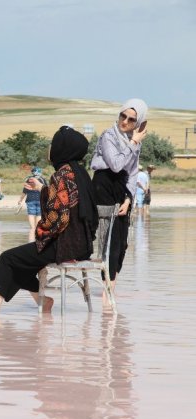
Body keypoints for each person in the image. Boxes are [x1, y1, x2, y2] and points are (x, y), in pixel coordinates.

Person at [0, 126, 99, 317]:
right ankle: (43, 300)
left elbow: (59, 218)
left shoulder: (61, 176)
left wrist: (41, 234)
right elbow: (66, 203)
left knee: (8, 258)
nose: (50, 148)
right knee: (25, 259)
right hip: (83, 246)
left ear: (61, 148)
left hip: (65, 247)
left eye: (53, 144)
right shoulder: (80, 174)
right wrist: (42, 189)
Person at [90, 98, 148, 306]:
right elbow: (115, 165)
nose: (125, 121)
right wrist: (132, 143)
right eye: (123, 116)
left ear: (139, 122)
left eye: (131, 119)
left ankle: (110, 289)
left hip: (121, 188)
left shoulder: (134, 142)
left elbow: (132, 173)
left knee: (121, 242)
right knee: (109, 238)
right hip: (104, 184)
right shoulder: (109, 135)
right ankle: (106, 292)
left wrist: (129, 198)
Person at [17, 167, 47, 242]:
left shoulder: (29, 179)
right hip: (40, 200)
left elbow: (25, 191)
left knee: (31, 215)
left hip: (30, 200)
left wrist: (20, 200)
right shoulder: (43, 179)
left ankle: (31, 239)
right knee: (38, 217)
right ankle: (37, 238)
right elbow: (46, 190)